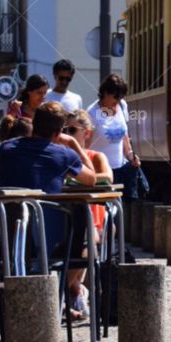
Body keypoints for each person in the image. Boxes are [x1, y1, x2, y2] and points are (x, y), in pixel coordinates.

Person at [0, 105, 96, 253]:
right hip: (48, 238)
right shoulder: (64, 154)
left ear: (34, 124)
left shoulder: (7, 148)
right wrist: (73, 144)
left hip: (8, 235)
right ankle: (73, 276)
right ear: (59, 132)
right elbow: (91, 178)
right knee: (83, 219)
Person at [63, 109, 113, 319]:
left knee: (86, 242)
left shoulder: (96, 156)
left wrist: (77, 178)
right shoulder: (60, 156)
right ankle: (76, 290)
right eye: (64, 129)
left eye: (72, 129)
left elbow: (107, 177)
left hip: (92, 218)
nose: (67, 134)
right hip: (65, 218)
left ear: (87, 133)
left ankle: (65, 292)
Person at [87, 73, 141, 198]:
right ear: (105, 92)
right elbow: (86, 145)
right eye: (116, 96)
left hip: (121, 168)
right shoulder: (92, 113)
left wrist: (130, 155)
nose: (118, 100)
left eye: (121, 97)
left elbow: (124, 135)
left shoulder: (122, 106)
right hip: (102, 173)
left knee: (122, 210)